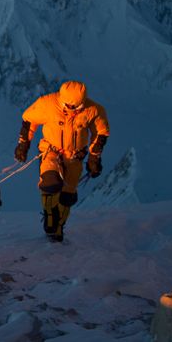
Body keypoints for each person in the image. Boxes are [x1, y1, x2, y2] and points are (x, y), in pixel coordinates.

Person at [14, 80, 109, 242]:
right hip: (50, 151)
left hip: (75, 157)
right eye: (68, 106)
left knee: (68, 196)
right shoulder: (48, 104)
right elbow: (29, 120)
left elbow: (100, 133)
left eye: (77, 107)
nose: (71, 110)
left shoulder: (93, 110)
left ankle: (58, 228)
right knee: (50, 183)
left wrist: (94, 158)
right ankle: (50, 218)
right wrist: (23, 144)